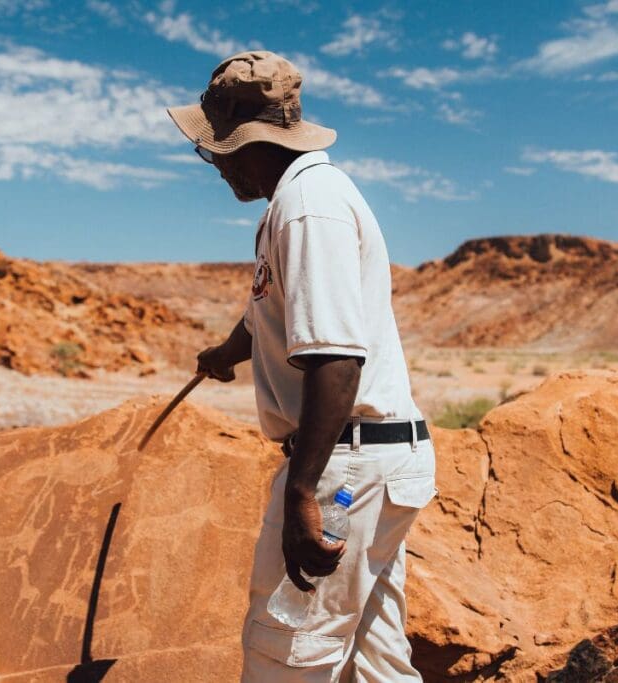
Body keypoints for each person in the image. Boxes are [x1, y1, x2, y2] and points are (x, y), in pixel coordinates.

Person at [166, 51, 436, 682]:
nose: (215, 166)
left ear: (246, 141)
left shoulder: (309, 207)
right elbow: (279, 309)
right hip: (372, 462)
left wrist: (303, 492)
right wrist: (230, 352)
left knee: (286, 653)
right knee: (375, 658)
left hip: (346, 468)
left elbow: (337, 357)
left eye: (215, 150)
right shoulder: (292, 201)